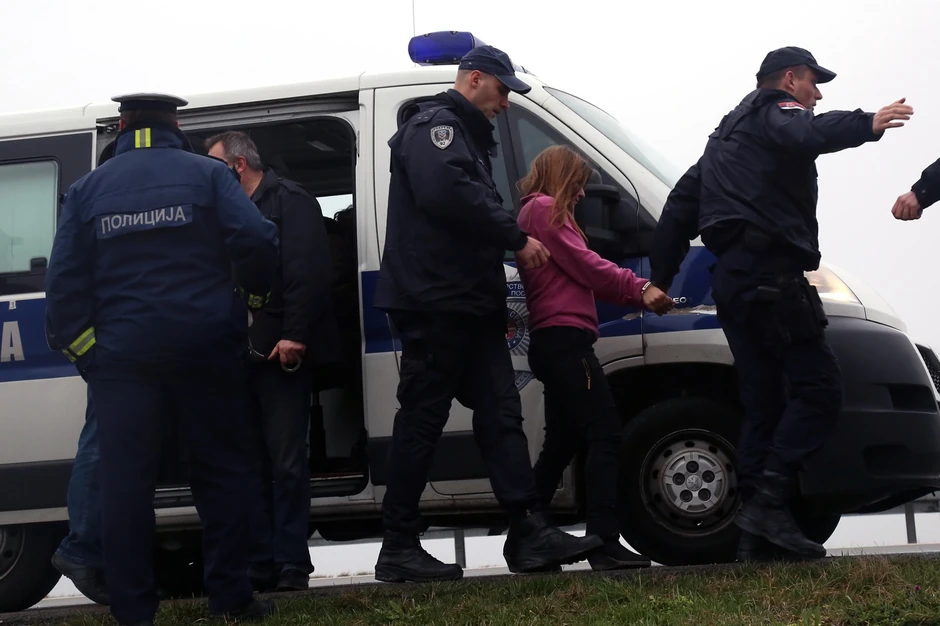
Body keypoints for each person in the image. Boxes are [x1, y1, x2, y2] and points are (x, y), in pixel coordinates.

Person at [647, 47, 913, 562]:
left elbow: (679, 208)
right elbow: (806, 133)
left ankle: (755, 534)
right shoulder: (775, 112)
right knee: (819, 390)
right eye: (814, 82)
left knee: (763, 402)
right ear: (789, 80)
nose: (818, 94)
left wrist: (660, 277)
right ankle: (768, 502)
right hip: (771, 277)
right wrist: (867, 123)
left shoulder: (724, 140)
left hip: (734, 283)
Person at [44, 92, 280, 626]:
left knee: (126, 487)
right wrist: (253, 300)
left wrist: (91, 356)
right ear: (175, 122)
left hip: (123, 362)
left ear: (122, 124)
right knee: (222, 476)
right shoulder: (210, 175)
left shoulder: (87, 190)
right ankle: (231, 598)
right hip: (208, 351)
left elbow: (63, 286)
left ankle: (133, 610)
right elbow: (257, 240)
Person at [372, 44, 603, 583]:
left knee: (502, 414)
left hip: (470, 305)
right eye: (501, 91)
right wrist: (514, 236)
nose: (505, 103)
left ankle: (529, 532)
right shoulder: (435, 127)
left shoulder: (469, 137)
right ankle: (398, 545)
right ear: (474, 79)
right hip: (436, 304)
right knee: (422, 422)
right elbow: (447, 193)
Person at [515, 145, 674, 571]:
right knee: (606, 434)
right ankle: (603, 540)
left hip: (555, 341)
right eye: (579, 184)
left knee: (562, 442)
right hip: (566, 341)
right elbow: (587, 265)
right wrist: (640, 288)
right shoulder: (544, 210)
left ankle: (525, 538)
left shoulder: (535, 213)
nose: (583, 194)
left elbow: (581, 270)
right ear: (562, 177)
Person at [205, 130, 340, 592]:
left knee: (286, 462)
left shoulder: (290, 201)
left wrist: (294, 334)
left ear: (239, 165)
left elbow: (307, 272)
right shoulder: (222, 209)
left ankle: (291, 563)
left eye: (215, 164)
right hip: (236, 355)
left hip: (280, 352)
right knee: (249, 464)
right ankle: (259, 563)